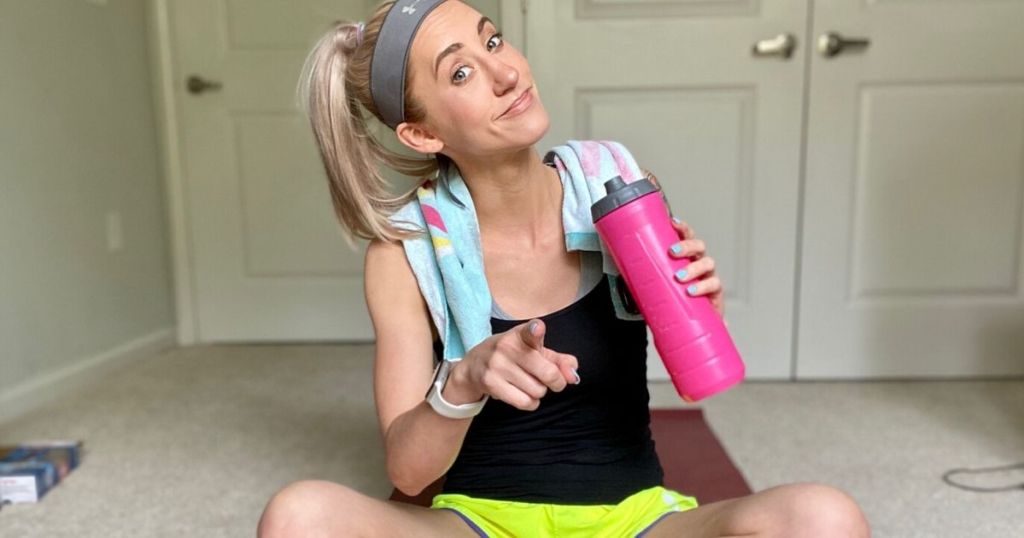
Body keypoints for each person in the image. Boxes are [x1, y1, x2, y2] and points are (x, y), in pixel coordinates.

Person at [257, 1, 872, 536]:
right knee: (300, 515)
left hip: (637, 518)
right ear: (421, 133)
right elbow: (409, 470)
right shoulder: (404, 255)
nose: (506, 72)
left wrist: (699, 309)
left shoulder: (620, 190)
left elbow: (699, 377)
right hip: (479, 521)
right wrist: (463, 381)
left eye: (493, 39)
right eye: (462, 72)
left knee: (824, 516)